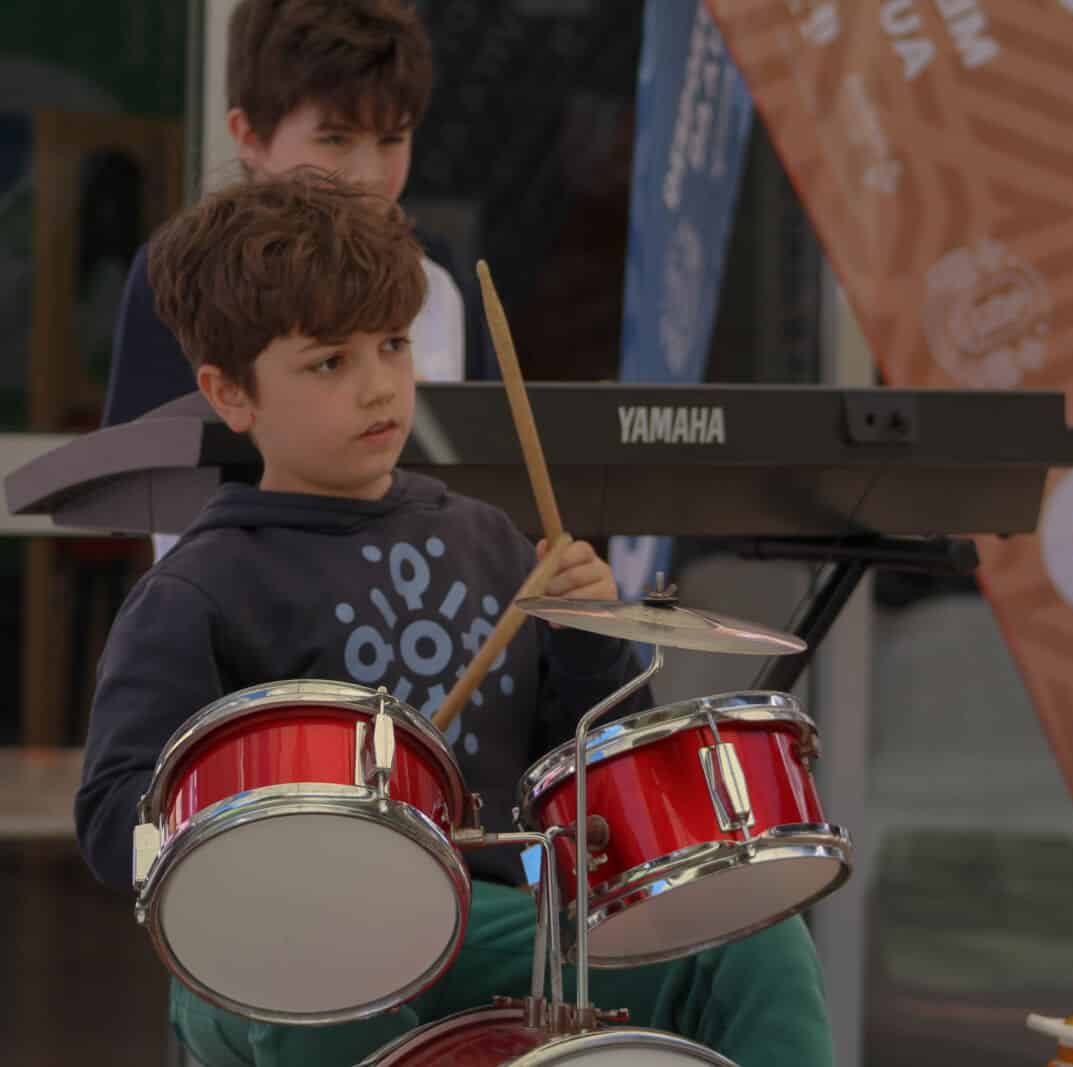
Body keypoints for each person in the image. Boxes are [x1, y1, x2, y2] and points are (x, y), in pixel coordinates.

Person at [74, 171, 833, 1067]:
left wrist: (589, 638)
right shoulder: (198, 588)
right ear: (232, 393)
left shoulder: (491, 541)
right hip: (276, 949)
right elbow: (111, 809)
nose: (378, 387)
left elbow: (590, 765)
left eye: (393, 345)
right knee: (328, 981)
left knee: (756, 941)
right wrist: (254, 839)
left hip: (490, 919)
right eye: (331, 362)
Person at [100, 0, 467, 435]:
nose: (368, 175)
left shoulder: (440, 277)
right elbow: (135, 460)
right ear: (250, 137)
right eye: (335, 139)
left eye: (391, 140)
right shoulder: (183, 274)